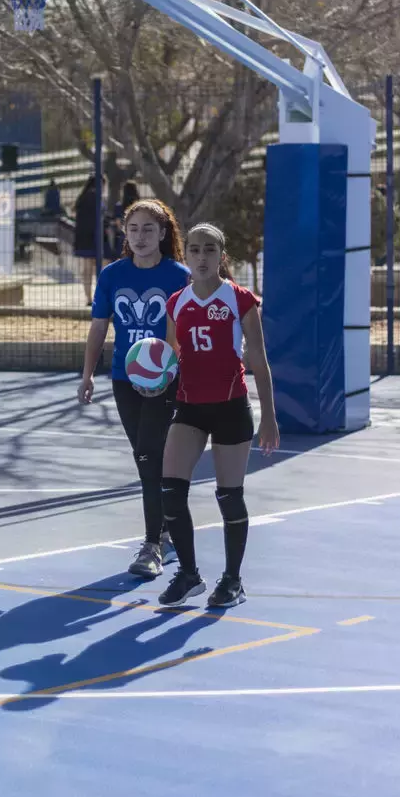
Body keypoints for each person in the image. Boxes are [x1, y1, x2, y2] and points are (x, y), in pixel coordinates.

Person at [157, 222, 280, 608]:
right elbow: (170, 356)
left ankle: (232, 581)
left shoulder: (240, 300)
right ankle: (189, 574)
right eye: (194, 250)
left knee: (229, 496)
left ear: (221, 256)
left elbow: (258, 360)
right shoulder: (176, 302)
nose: (202, 257)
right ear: (186, 256)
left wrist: (270, 418)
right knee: (170, 493)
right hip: (189, 407)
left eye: (210, 250)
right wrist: (153, 378)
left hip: (230, 407)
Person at [78, 199, 189, 578]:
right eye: (134, 229)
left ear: (163, 233)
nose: (140, 237)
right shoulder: (111, 276)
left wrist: (168, 374)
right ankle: (167, 529)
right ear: (124, 233)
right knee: (147, 458)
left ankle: (152, 545)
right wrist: (87, 373)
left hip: (166, 382)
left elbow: (183, 334)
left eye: (149, 229)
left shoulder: (180, 276)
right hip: (125, 382)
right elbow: (98, 327)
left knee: (148, 456)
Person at [73, 175, 110, 305]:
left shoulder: (82, 198)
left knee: (87, 268)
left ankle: (88, 297)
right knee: (104, 265)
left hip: (82, 236)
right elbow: (101, 216)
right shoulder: (97, 197)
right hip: (95, 235)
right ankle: (100, 296)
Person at [112, 180, 141, 258]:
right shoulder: (139, 206)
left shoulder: (119, 206)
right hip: (138, 238)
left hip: (123, 238)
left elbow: (118, 224)